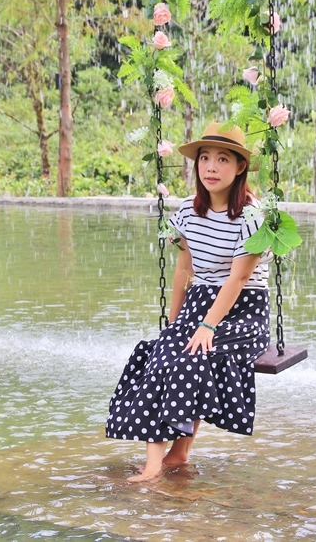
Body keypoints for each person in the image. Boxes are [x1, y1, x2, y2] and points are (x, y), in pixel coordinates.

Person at [105, 122, 270, 482]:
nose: (211, 167)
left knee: (191, 357)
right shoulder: (187, 212)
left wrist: (208, 325)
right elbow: (184, 267)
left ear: (240, 167)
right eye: (205, 158)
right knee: (158, 353)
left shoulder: (252, 216)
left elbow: (239, 278)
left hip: (242, 310)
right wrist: (174, 318)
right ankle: (166, 458)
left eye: (223, 159)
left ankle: (166, 460)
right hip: (198, 303)